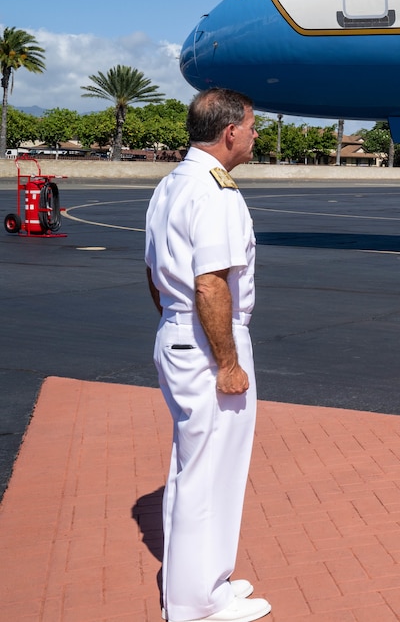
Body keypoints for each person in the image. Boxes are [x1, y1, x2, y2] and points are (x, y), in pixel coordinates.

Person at [145, 88, 272, 622]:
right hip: (208, 340)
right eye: (251, 125)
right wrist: (226, 363)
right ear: (229, 133)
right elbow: (211, 284)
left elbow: (155, 275)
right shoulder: (215, 193)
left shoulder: (172, 184)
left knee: (197, 468)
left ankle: (206, 584)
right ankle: (197, 605)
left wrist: (176, 327)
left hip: (180, 333)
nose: (255, 134)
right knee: (208, 472)